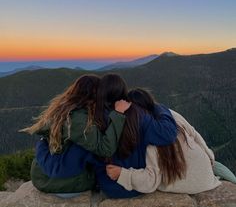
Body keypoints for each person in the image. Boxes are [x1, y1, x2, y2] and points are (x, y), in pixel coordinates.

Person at [32, 74, 178, 198]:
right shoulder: (137, 116)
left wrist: (41, 146)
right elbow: (168, 133)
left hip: (108, 185)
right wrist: (155, 105)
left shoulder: (90, 119)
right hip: (134, 186)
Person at [20, 74, 129, 194]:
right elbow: (105, 148)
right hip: (58, 181)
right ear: (92, 95)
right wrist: (118, 114)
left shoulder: (66, 110)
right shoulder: (77, 120)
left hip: (45, 174)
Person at [106, 88, 227, 194]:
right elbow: (194, 133)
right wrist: (209, 157)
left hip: (191, 183)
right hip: (205, 169)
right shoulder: (171, 115)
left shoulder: (151, 137)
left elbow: (151, 181)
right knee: (223, 170)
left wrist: (122, 174)